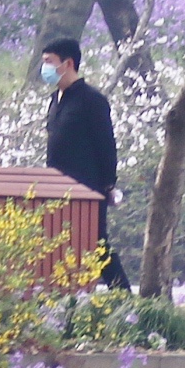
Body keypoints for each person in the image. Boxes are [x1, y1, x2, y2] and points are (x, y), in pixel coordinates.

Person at [39, 38, 123, 284]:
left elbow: (106, 144)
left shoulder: (91, 100)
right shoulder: (56, 99)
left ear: (67, 63)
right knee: (59, 243)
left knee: (96, 244)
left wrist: (108, 184)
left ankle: (125, 298)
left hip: (87, 185)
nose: (44, 68)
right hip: (57, 187)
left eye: (48, 62)